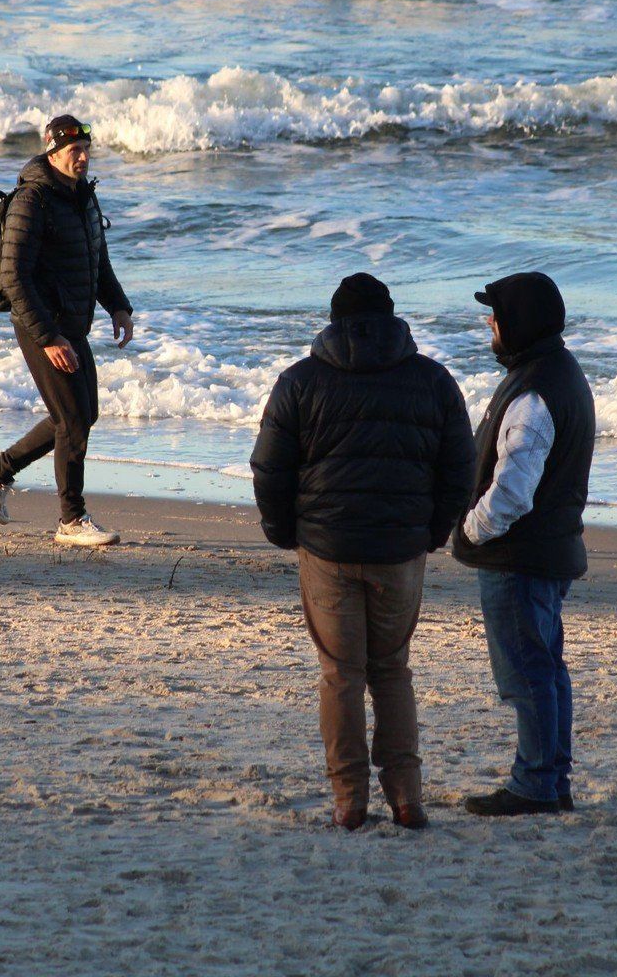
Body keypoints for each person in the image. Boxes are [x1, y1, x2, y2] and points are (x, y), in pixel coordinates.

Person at [250, 273, 475, 831]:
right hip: (400, 548)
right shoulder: (432, 379)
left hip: (326, 545)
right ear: (392, 319)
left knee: (341, 675)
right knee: (392, 670)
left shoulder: (300, 381)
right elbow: (461, 465)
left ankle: (349, 801)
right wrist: (435, 527)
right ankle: (406, 798)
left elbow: (269, 466)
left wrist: (282, 528)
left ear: (334, 323)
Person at [452, 271, 594, 816]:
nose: (490, 324)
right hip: (545, 551)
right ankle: (551, 779)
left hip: (520, 556)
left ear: (519, 324)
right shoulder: (556, 372)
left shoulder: (535, 392)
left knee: (527, 673)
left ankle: (537, 782)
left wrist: (471, 529)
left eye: (497, 316)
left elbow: (512, 491)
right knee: (546, 668)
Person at [0, 114, 134, 546]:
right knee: (73, 420)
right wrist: (47, 338)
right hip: (40, 324)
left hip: (73, 323)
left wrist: (118, 306)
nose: (82, 158)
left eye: (85, 149)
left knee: (81, 416)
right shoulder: (32, 200)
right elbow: (13, 277)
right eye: (73, 151)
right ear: (53, 151)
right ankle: (71, 519)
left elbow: (96, 260)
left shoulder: (84, 196)